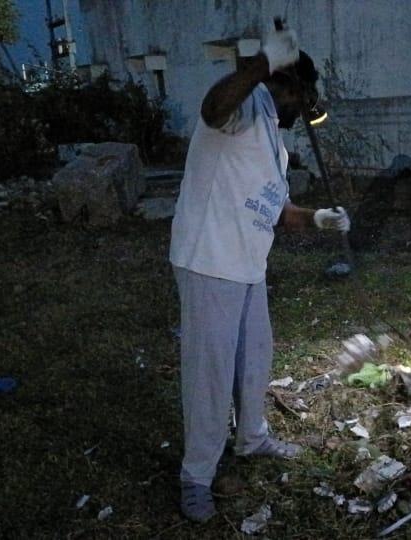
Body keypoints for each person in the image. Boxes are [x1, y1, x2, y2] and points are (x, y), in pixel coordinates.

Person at [168, 24, 350, 522]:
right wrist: (263, 61)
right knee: (210, 373)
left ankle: (251, 437)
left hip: (248, 264)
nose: (305, 110)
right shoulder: (245, 107)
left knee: (254, 359)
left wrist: (318, 218)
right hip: (209, 260)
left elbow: (278, 211)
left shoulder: (275, 142)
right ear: (286, 84)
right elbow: (212, 108)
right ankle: (197, 474)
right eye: (304, 98)